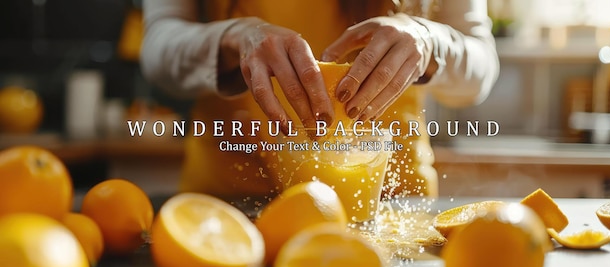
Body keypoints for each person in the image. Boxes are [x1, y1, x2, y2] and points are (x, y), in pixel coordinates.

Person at [140, 0, 499, 201]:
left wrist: (429, 40)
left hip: (389, 204)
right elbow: (157, 49)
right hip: (231, 203)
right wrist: (235, 36)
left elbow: (480, 66)